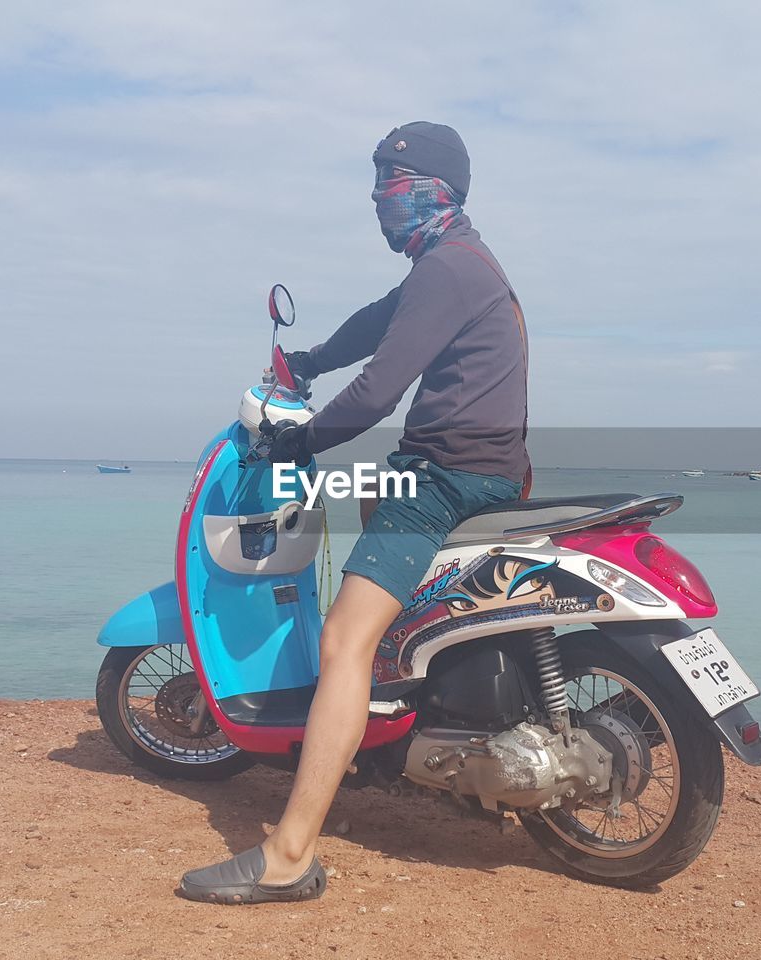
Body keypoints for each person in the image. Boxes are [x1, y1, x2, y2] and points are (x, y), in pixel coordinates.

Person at [179, 121, 530, 905]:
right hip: (473, 470)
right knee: (367, 494)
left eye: (389, 186)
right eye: (376, 186)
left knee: (342, 639)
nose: (377, 201)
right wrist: (303, 363)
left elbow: (379, 389)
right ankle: (397, 719)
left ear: (430, 192)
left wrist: (293, 444)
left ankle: (289, 855)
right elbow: (377, 322)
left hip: (445, 479)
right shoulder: (457, 263)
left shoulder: (449, 270)